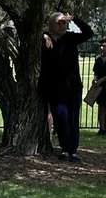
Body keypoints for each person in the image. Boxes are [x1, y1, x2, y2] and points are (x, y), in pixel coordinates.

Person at [37, 11, 94, 161]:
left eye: (64, 23)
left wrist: (74, 19)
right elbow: (33, 36)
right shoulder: (45, 39)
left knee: (73, 119)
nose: (62, 26)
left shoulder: (70, 38)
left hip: (73, 87)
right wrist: (44, 35)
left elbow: (88, 33)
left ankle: (73, 150)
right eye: (59, 23)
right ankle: (65, 149)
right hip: (54, 88)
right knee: (61, 118)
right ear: (52, 24)